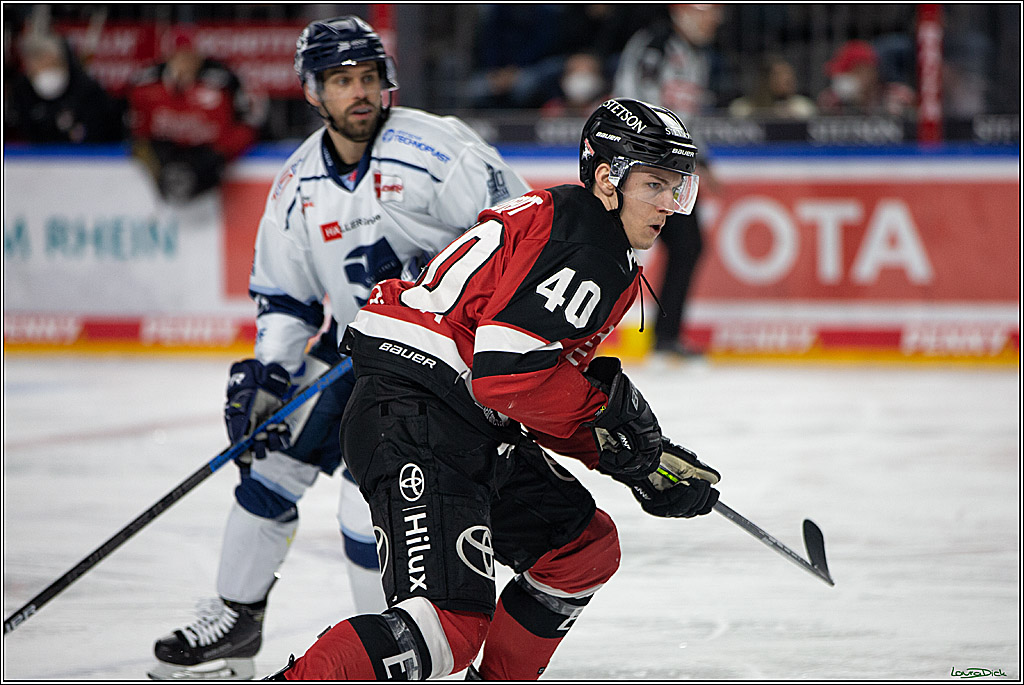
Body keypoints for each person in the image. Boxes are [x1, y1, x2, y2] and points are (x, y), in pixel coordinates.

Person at [262, 97, 721, 681]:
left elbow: (528, 387)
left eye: (676, 186)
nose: (668, 203)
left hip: (456, 415)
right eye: (654, 183)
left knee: (581, 548)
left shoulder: (584, 231)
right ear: (608, 180)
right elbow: (509, 377)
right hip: (421, 413)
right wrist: (609, 425)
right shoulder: (590, 249)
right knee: (447, 627)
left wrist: (635, 458)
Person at [146, 16, 529, 680]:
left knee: (368, 499)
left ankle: (404, 646)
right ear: (312, 93)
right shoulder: (296, 185)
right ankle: (238, 617)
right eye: (341, 81)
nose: (359, 93)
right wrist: (267, 372)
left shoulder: (438, 149)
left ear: (387, 83)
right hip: (361, 351)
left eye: (368, 79)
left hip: (444, 365)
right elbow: (288, 300)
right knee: (268, 455)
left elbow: (518, 236)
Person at [613, 3, 725, 357]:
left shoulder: (697, 57)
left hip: (668, 169)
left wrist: (699, 160)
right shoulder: (656, 46)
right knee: (615, 242)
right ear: (682, 12)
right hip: (641, 165)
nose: (714, 19)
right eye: (706, 11)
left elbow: (687, 118)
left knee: (686, 244)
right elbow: (636, 103)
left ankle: (666, 337)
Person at [126, 26, 262, 204]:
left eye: (190, 55)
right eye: (180, 56)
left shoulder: (224, 81)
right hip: (164, 168)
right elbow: (135, 135)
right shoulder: (145, 84)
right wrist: (156, 165)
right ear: (168, 57)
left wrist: (220, 155)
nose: (186, 63)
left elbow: (248, 125)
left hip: (210, 169)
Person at [5, 30, 125, 143]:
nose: (35, 67)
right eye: (32, 61)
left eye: (42, 59)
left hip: (86, 157)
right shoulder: (22, 90)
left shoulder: (87, 90)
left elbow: (103, 130)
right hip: (35, 158)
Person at [816, 40, 916, 116]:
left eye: (846, 73)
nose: (839, 79)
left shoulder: (900, 96)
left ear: (868, 72)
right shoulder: (832, 101)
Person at [728, 54, 817, 119]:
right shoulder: (742, 108)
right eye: (778, 75)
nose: (787, 79)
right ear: (765, 79)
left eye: (789, 74)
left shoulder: (803, 107)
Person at [540, 52, 611, 119]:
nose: (580, 79)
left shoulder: (609, 109)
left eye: (586, 73)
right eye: (574, 72)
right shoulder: (552, 108)